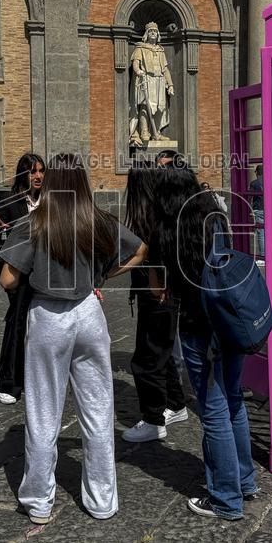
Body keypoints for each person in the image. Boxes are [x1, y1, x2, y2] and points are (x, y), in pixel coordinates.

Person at [0, 154, 147, 525]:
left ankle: (38, 500)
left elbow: (8, 279)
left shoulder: (34, 222)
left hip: (49, 316)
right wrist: (104, 275)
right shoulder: (97, 220)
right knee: (97, 410)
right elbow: (141, 249)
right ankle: (102, 500)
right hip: (88, 312)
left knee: (43, 411)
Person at [149, 166, 259, 521]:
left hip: (198, 326)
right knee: (234, 401)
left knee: (213, 412)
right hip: (230, 319)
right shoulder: (214, 214)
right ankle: (244, 481)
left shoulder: (166, 227)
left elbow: (158, 289)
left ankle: (226, 499)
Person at [121, 162, 188, 443]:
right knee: (162, 351)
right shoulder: (165, 212)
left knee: (146, 358)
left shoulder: (149, 217)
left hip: (157, 293)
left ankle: (153, 420)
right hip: (166, 292)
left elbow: (148, 257)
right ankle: (176, 403)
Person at [0, 153, 44, 405]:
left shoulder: (51, 200)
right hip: (19, 274)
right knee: (17, 322)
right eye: (33, 171)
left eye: (41, 171)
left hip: (46, 273)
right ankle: (9, 381)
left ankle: (37, 376)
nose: (38, 176)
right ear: (23, 174)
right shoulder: (10, 203)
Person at [130, 21, 175, 145]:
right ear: (146, 34)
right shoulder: (140, 48)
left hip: (159, 81)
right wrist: (139, 71)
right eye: (151, 31)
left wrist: (170, 84)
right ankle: (144, 131)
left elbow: (165, 69)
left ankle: (157, 133)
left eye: (155, 31)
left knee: (160, 107)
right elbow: (135, 63)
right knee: (145, 106)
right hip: (147, 79)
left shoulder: (160, 50)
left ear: (158, 33)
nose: (153, 33)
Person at [248, 165, 265, 263]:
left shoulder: (254, 183)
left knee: (261, 234)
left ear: (257, 172)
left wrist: (249, 210)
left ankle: (263, 257)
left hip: (258, 210)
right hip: (270, 209)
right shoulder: (270, 180)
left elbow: (249, 197)